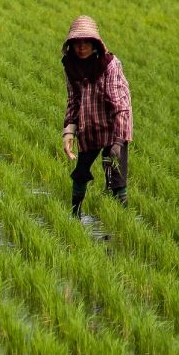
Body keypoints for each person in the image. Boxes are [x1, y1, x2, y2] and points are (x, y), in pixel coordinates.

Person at [61, 16, 133, 217]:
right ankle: (74, 215)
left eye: (86, 43)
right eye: (77, 44)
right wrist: (68, 133)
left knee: (115, 175)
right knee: (81, 172)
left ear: (95, 44)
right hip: (89, 124)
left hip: (113, 125)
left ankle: (123, 219)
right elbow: (73, 100)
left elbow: (120, 104)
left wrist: (118, 142)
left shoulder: (109, 64)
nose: (81, 48)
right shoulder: (71, 66)